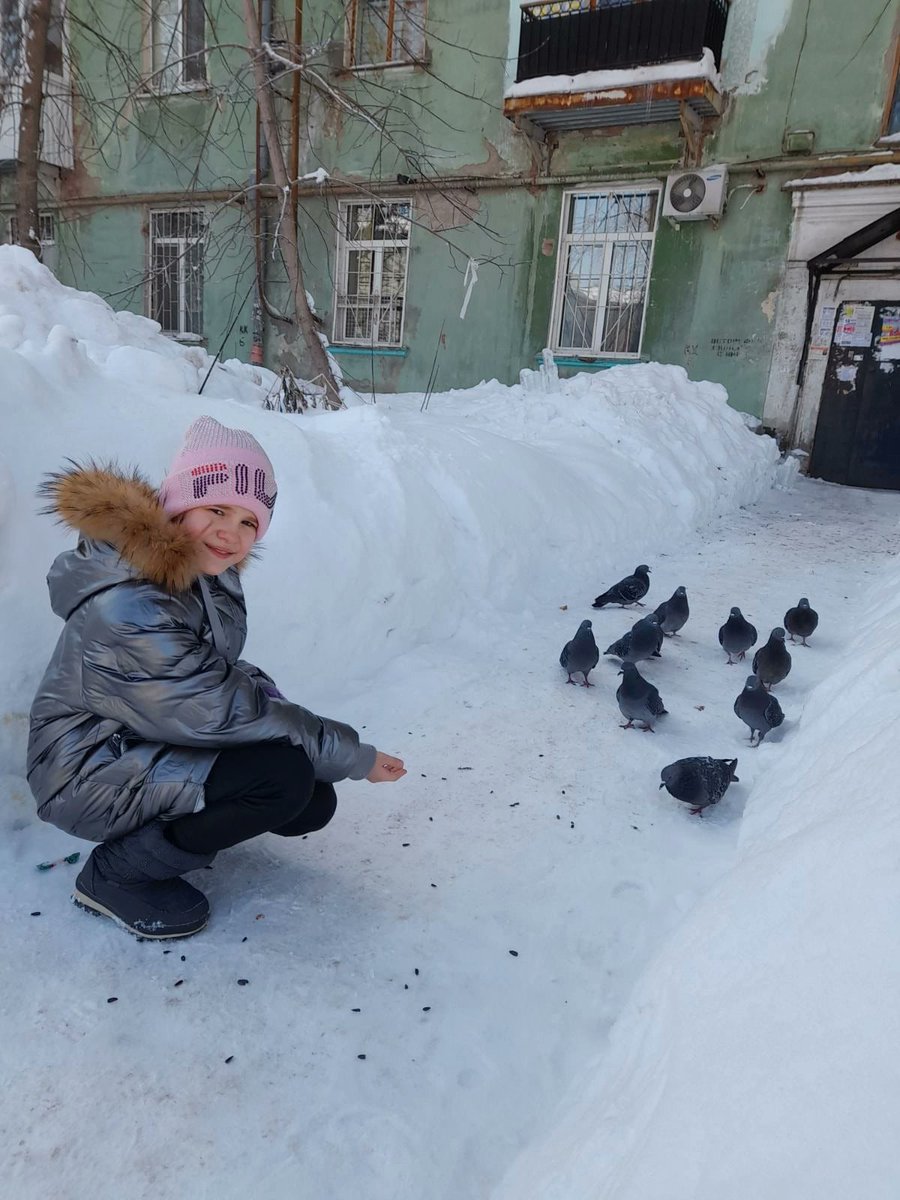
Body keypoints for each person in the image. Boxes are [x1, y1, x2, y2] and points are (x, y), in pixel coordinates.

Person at [27, 415, 405, 940]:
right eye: (217, 509)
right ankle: (116, 875)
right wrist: (353, 755)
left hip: (142, 741)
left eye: (249, 521)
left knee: (309, 798)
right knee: (283, 779)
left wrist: (264, 693)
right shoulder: (129, 604)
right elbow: (212, 706)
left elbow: (209, 669)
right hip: (85, 771)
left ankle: (173, 831)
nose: (232, 532)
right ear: (180, 504)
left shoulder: (197, 572)